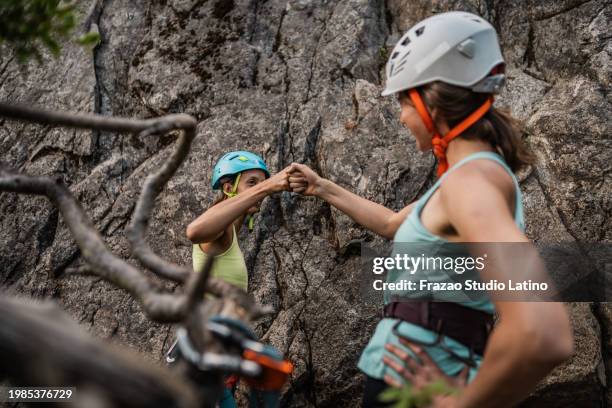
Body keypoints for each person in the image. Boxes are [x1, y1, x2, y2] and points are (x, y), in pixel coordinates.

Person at [287, 11, 573, 408]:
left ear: (431, 104)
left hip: (412, 386)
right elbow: (390, 224)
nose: (402, 117)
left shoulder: (470, 184)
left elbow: (543, 330)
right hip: (420, 372)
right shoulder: (469, 180)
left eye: (404, 101)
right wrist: (321, 186)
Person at [185, 150, 290, 408]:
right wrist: (266, 187)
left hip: (222, 347)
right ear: (229, 187)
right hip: (208, 348)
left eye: (262, 181)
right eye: (252, 182)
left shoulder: (230, 230)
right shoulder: (218, 232)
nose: (261, 189)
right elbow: (194, 231)